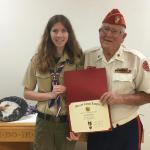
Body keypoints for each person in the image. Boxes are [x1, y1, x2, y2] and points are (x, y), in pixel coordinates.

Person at [84, 9, 150, 150]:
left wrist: (120, 99)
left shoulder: (136, 60)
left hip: (127, 127)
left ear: (123, 36)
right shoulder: (87, 57)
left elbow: (148, 95)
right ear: (99, 31)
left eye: (114, 31)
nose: (108, 34)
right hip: (96, 129)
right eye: (105, 29)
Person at [23, 14, 84, 150]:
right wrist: (49, 95)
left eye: (63, 31)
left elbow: (83, 93)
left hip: (67, 122)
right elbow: (27, 93)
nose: (59, 35)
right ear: (48, 33)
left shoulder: (78, 59)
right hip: (44, 123)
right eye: (55, 30)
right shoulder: (38, 59)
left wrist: (78, 125)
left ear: (69, 34)